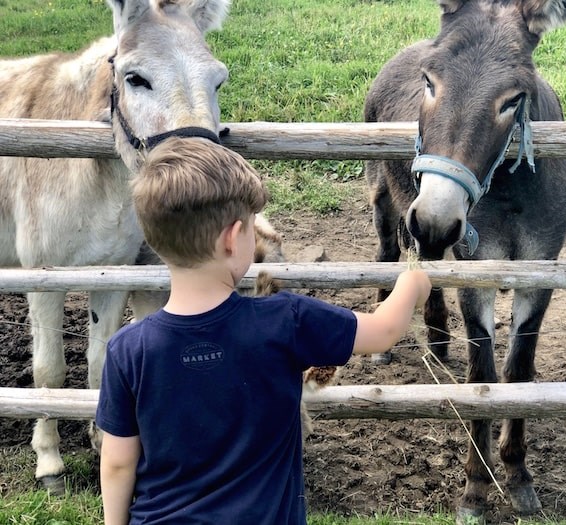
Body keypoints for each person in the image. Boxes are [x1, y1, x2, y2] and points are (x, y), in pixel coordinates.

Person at [96, 137, 432, 525]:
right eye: (252, 228)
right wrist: (412, 283)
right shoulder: (285, 320)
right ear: (231, 238)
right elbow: (384, 329)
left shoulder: (126, 349)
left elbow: (119, 463)